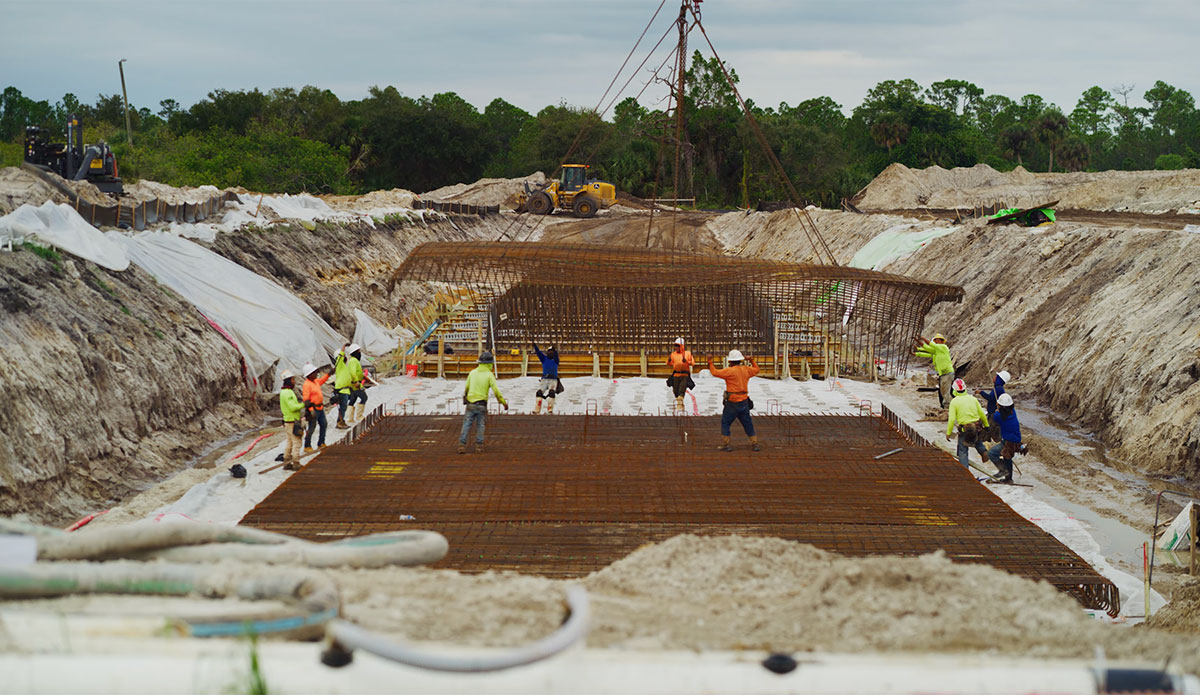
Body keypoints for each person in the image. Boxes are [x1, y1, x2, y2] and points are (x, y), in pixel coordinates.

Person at [708, 350, 760, 452]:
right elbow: (757, 370)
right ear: (740, 360)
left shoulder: (729, 371)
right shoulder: (746, 370)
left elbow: (714, 372)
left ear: (730, 361)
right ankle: (755, 443)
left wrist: (710, 361)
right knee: (747, 423)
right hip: (744, 401)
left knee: (726, 422)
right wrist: (752, 360)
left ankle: (726, 444)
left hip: (732, 402)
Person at [459, 351, 508, 453]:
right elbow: (496, 391)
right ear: (490, 364)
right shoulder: (489, 375)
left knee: (466, 424)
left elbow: (467, 387)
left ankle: (462, 445)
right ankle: (479, 446)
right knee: (480, 425)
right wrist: (503, 402)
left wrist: (466, 397)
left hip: (470, 403)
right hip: (482, 404)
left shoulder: (472, 373)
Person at [945, 378, 990, 469]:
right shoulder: (973, 399)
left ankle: (965, 471)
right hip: (976, 427)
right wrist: (986, 425)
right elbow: (982, 414)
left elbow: (952, 419)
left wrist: (948, 433)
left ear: (954, 390)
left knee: (963, 451)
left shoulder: (954, 402)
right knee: (977, 441)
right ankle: (983, 452)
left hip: (964, 429)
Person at [988, 393, 1023, 483]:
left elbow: (995, 419)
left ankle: (1003, 470)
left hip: (1009, 442)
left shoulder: (998, 416)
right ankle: (1009, 478)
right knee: (1007, 457)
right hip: (1016, 440)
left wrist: (997, 409)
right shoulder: (1013, 412)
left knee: (992, 453)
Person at [914, 333, 956, 408]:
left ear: (941, 341)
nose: (936, 342)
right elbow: (927, 348)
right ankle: (947, 405)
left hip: (947, 372)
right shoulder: (937, 351)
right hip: (942, 374)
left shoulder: (943, 347)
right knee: (944, 391)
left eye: (937, 340)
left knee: (945, 392)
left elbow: (930, 345)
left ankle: (946, 408)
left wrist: (922, 338)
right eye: (935, 340)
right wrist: (918, 343)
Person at [278, 369, 305, 470]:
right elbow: (293, 407)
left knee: (289, 442)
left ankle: (286, 462)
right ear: (288, 380)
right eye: (293, 379)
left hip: (288, 421)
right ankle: (296, 463)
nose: (294, 381)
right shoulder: (288, 393)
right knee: (297, 443)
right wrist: (303, 404)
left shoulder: (283, 392)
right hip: (292, 421)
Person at [301, 363, 331, 453]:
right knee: (311, 427)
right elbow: (306, 400)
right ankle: (307, 445)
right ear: (309, 375)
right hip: (313, 409)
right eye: (314, 373)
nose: (316, 374)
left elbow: (321, 380)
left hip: (320, 408)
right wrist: (310, 410)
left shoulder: (315, 382)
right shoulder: (307, 385)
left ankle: (321, 442)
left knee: (324, 424)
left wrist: (329, 374)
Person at [976, 370, 1010, 442]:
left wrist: (981, 392)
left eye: (996, 376)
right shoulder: (998, 388)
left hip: (993, 413)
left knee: (992, 429)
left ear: (999, 379)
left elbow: (990, 398)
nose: (994, 377)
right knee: (988, 428)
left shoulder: (998, 389)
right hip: (992, 412)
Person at [332, 343, 359, 429]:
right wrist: (343, 347)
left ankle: (341, 421)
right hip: (341, 390)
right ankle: (340, 422)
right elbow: (341, 355)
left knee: (343, 408)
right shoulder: (339, 364)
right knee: (342, 408)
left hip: (345, 390)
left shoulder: (344, 366)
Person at [665, 337, 695, 413]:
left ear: (681, 346)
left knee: (682, 390)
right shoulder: (673, 354)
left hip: (684, 375)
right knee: (676, 391)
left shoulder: (687, 354)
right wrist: (668, 361)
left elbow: (693, 363)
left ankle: (679, 406)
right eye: (675, 346)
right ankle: (681, 404)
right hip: (676, 375)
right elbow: (669, 363)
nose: (676, 347)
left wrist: (687, 362)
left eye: (678, 346)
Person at [532, 341, 561, 414]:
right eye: (549, 351)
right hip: (544, 379)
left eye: (552, 352)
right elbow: (538, 353)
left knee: (551, 393)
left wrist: (555, 350)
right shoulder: (544, 359)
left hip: (553, 379)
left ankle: (550, 409)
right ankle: (537, 410)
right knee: (539, 393)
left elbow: (556, 356)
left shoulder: (556, 360)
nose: (551, 353)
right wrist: (535, 346)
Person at [345, 345, 368, 423]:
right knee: (364, 397)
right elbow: (352, 372)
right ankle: (359, 416)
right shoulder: (353, 361)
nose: (360, 353)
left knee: (352, 399)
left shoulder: (353, 360)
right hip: (355, 384)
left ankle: (350, 418)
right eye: (358, 351)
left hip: (354, 383)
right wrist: (356, 381)